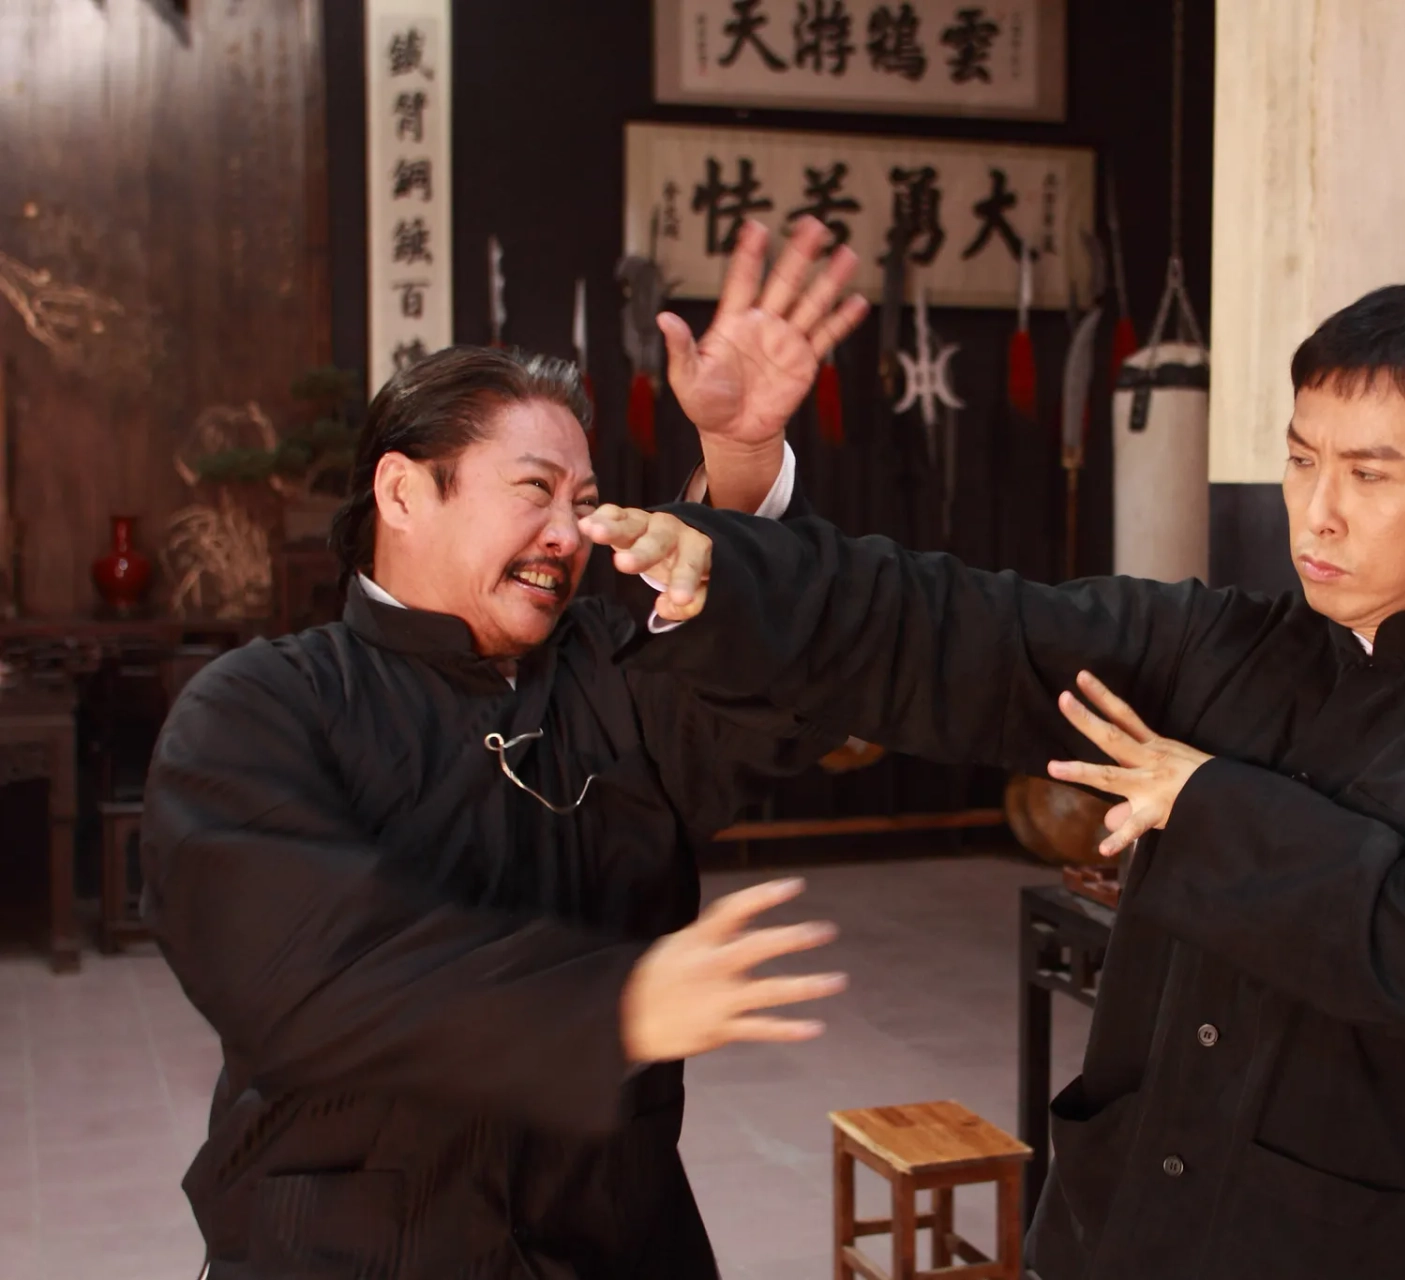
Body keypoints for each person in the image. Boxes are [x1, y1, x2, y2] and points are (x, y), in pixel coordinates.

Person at [591, 283, 1405, 1280]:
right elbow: (963, 626)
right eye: (1301, 461)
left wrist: (1207, 800)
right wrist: (741, 540)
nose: (1318, 512)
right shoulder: (1214, 645)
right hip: (1114, 1226)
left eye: (1369, 474)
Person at [142, 218, 867, 1279]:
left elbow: (766, 703)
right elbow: (307, 979)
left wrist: (744, 464)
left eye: (582, 502)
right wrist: (615, 1003)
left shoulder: (611, 667)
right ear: (402, 491)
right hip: (355, 1248)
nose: (569, 534)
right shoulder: (258, 708)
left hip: (612, 1233)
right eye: (533, 490)